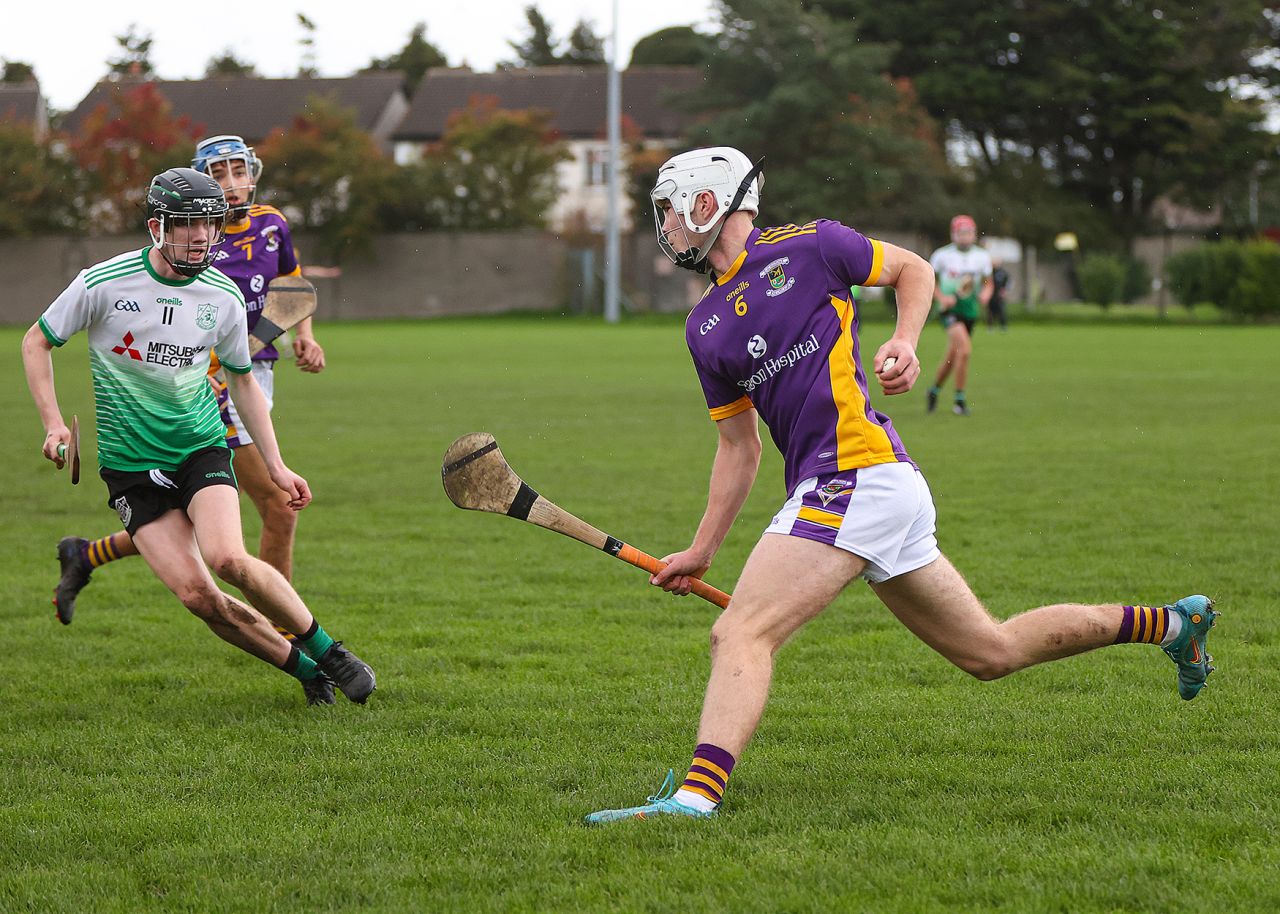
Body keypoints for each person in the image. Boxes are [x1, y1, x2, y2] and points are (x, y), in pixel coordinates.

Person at [584, 146, 1215, 824]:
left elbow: (912, 270)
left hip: (857, 473)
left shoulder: (814, 246)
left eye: (669, 211)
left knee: (740, 632)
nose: (667, 228)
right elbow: (738, 449)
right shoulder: (703, 328)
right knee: (990, 652)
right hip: (858, 486)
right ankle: (1176, 625)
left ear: (705, 203)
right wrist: (702, 549)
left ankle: (694, 799)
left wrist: (908, 341)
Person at [22, 167, 374, 706]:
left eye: (209, 225)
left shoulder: (222, 295)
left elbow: (242, 382)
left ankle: (330, 651)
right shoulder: (102, 283)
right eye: (186, 224)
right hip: (129, 468)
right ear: (155, 227)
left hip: (198, 449)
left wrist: (277, 466)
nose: (201, 236)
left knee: (227, 559)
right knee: (198, 597)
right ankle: (306, 672)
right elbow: (36, 342)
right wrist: (51, 423)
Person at [925, 215, 991, 416]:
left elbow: (988, 282)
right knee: (965, 350)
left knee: (953, 357)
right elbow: (929, 281)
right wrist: (942, 297)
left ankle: (934, 390)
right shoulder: (942, 255)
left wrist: (986, 293)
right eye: (961, 233)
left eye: (969, 232)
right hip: (949, 312)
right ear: (954, 234)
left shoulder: (982, 256)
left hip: (970, 311)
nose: (966, 237)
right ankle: (959, 400)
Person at [987, 255, 1010, 330]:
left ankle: (1003, 326)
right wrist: (986, 285)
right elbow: (984, 281)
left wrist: (1004, 290)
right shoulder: (988, 272)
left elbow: (1007, 282)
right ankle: (990, 326)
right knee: (990, 311)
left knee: (1001, 310)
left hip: (999, 294)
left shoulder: (1003, 273)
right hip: (990, 294)